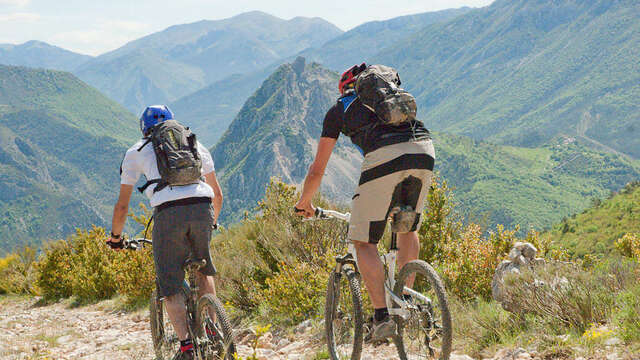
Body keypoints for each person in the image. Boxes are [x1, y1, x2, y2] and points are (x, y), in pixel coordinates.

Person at [294, 64, 435, 341]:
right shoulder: (393, 99)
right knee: (406, 227)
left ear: (346, 89)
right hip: (424, 150)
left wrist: (305, 202)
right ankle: (405, 297)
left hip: (385, 158)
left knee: (363, 242)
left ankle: (381, 315)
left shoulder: (340, 110)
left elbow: (317, 170)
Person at [106, 105, 223, 360]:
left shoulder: (136, 151)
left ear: (144, 129)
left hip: (169, 214)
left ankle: (186, 346)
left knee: (169, 283)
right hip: (204, 207)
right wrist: (210, 224)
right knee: (204, 268)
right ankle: (214, 331)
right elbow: (218, 194)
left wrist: (116, 237)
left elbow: (123, 204)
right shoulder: (195, 144)